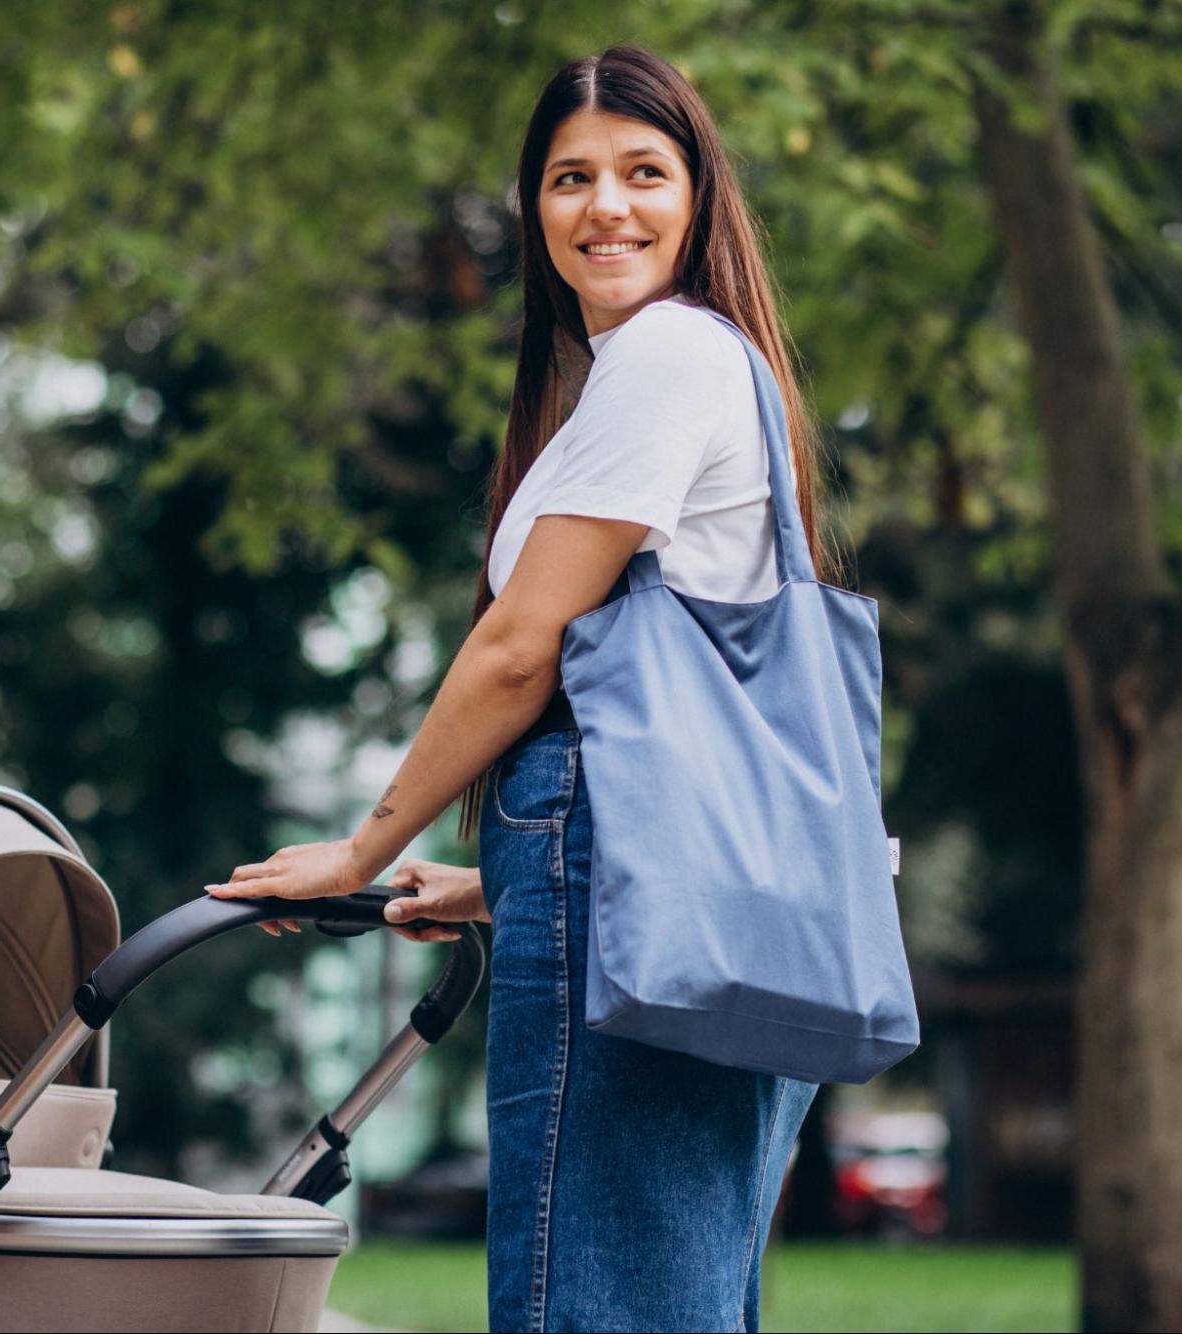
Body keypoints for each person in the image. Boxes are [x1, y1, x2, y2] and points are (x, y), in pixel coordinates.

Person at [206, 44, 839, 1332]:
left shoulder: (668, 356)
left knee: (590, 1307)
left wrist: (362, 845)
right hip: (703, 901)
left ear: (699, 196)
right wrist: (504, 877)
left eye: (642, 172)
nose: (605, 206)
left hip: (632, 907)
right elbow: (691, 736)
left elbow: (520, 648)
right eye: (569, 178)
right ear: (531, 211)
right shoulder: (706, 374)